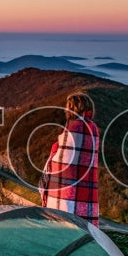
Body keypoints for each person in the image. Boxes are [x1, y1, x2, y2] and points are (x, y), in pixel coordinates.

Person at [40, 91, 101, 225]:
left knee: (62, 224)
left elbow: (61, 159)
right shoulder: (93, 128)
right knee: (83, 226)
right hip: (86, 187)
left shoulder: (73, 127)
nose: (66, 110)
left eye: (68, 107)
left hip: (65, 190)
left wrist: (55, 150)